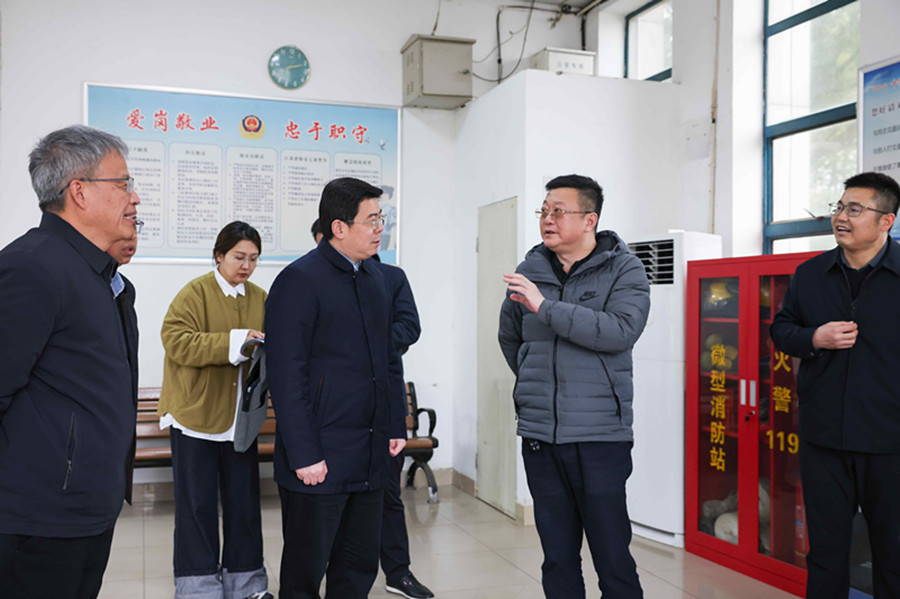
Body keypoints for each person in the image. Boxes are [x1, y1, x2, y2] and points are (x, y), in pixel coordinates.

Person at [0, 125, 140, 598]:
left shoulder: (100, 275)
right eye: (122, 184)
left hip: (88, 508)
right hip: (38, 520)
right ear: (79, 192)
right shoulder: (32, 266)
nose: (134, 197)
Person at [498, 174, 650, 599]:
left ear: (589, 220)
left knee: (612, 555)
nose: (547, 219)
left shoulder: (625, 269)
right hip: (540, 434)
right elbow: (511, 339)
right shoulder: (529, 270)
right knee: (557, 556)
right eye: (543, 211)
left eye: (558, 211)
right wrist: (536, 381)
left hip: (599, 435)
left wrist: (545, 307)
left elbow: (619, 331)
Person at [267, 178, 407, 598]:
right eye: (372, 220)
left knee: (357, 570)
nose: (380, 229)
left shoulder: (376, 279)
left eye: (381, 219)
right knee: (304, 575)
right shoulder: (299, 280)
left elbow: (388, 361)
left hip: (369, 453)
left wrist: (394, 423)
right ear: (339, 227)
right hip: (320, 459)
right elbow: (286, 375)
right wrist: (305, 454)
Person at [770, 172, 900, 599]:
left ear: (886, 221)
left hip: (890, 441)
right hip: (824, 437)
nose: (841, 217)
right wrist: (814, 338)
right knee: (825, 552)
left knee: (893, 554)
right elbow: (781, 329)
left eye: (855, 209)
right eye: (839, 207)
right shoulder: (811, 274)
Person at [310, 218, 433, 599]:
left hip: (381, 405)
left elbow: (409, 327)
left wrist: (366, 341)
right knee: (328, 506)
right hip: (335, 413)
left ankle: (398, 572)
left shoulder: (390, 278)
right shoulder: (312, 280)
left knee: (386, 497)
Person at [158, 221, 273, 599]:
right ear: (219, 255)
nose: (246, 266)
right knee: (197, 506)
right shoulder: (195, 293)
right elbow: (176, 341)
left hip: (240, 420)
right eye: (239, 257)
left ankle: (247, 584)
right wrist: (236, 342)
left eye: (253, 258)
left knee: (244, 504)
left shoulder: (260, 298)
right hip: (195, 417)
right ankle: (198, 586)